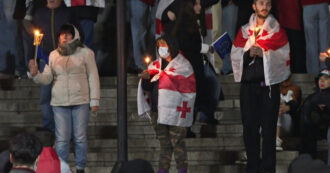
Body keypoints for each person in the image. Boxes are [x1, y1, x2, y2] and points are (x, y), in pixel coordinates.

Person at [28, 23, 100, 173]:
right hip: (59, 102)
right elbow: (47, 78)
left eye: (68, 34)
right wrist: (36, 75)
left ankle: (80, 168)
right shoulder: (54, 55)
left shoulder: (86, 53)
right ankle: (62, 168)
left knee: (80, 137)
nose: (65, 37)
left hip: (81, 100)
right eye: (62, 34)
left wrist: (95, 100)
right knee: (61, 139)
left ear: (75, 36)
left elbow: (93, 77)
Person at [230, 0, 290, 172]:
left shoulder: (278, 31)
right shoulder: (243, 31)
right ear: (254, 6)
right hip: (248, 88)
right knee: (249, 130)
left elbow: (284, 56)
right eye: (261, 3)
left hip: (269, 88)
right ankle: (253, 168)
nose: (265, 6)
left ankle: (268, 169)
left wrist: (264, 54)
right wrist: (248, 54)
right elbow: (235, 55)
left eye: (268, 4)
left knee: (269, 131)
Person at [138, 34, 196, 173]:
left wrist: (166, 77)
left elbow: (188, 88)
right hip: (157, 112)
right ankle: (162, 171)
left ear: (172, 46)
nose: (161, 49)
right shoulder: (155, 66)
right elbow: (147, 89)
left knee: (178, 144)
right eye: (159, 46)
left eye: (164, 45)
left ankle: (182, 170)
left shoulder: (183, 65)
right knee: (164, 145)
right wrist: (146, 79)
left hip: (176, 112)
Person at [27, 0, 73, 132]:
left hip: (64, 61)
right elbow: (34, 39)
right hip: (45, 60)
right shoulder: (39, 14)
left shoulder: (67, 13)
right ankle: (49, 130)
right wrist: (31, 58)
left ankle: (65, 131)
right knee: (46, 97)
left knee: (65, 98)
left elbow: (78, 35)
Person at [300, 69, 330, 166]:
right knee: (308, 110)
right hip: (313, 127)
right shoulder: (313, 96)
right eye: (320, 79)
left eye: (325, 79)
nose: (322, 81)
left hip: (326, 125)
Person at [302, 0, 329, 74]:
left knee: (311, 43)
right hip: (324, 4)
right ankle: (325, 70)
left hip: (308, 5)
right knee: (325, 40)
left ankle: (313, 73)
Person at [276, 77, 301, 151]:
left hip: (286, 122)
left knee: (278, 109)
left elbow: (295, 104)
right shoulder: (269, 87)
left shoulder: (294, 88)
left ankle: (276, 140)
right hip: (268, 124)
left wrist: (289, 107)